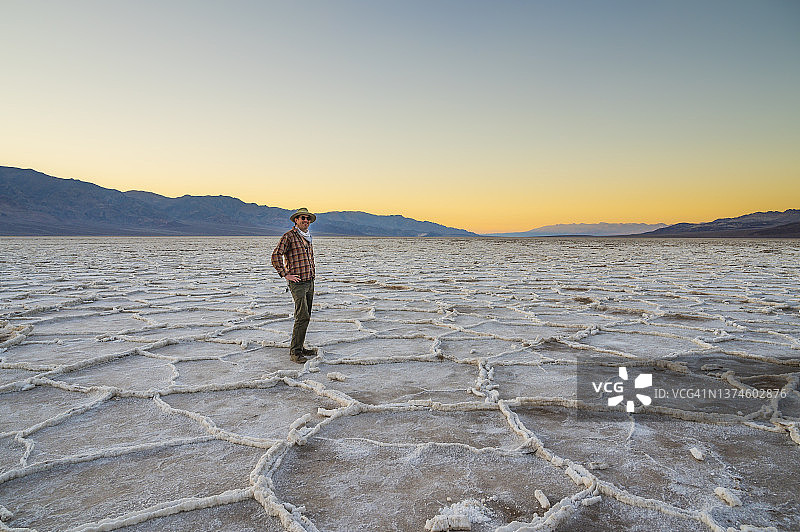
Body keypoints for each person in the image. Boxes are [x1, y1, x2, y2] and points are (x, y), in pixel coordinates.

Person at [271, 208, 317, 363]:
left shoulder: (307, 237)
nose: (306, 220)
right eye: (302, 218)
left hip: (309, 281)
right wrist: (285, 274)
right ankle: (295, 353)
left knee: (306, 316)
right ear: (296, 220)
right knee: (301, 316)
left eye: (308, 218)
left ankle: (300, 346)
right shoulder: (289, 236)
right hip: (297, 283)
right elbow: (276, 255)